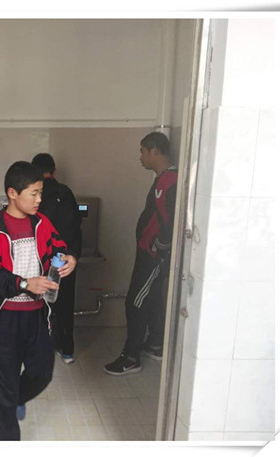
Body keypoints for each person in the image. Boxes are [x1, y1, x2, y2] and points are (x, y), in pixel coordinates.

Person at [0, 161, 77, 440]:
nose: (39, 199)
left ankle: (17, 398)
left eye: (40, 192)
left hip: (36, 314)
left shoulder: (42, 223)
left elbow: (58, 247)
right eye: (34, 193)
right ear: (12, 193)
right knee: (4, 384)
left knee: (43, 371)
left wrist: (69, 257)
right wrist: (24, 283)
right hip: (5, 319)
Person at [104, 132, 177, 375]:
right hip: (149, 252)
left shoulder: (170, 182)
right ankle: (155, 344)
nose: (141, 157)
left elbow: (170, 222)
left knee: (135, 302)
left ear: (155, 151)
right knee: (153, 298)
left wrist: (159, 248)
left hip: (154, 257)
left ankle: (131, 357)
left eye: (143, 151)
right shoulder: (163, 180)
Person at [31, 153, 82, 364]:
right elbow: (77, 222)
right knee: (65, 305)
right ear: (54, 171)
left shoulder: (35, 195)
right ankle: (67, 351)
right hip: (66, 260)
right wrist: (73, 254)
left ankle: (42, 349)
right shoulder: (66, 192)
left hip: (43, 260)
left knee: (41, 304)